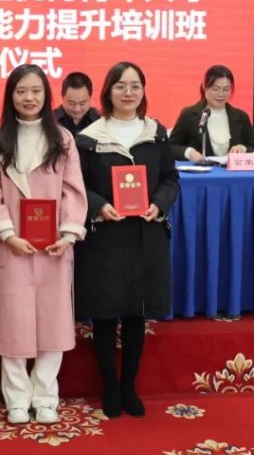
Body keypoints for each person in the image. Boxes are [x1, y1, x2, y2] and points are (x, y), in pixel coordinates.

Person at [0, 64, 88, 425]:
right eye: (21, 91)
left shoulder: (63, 139)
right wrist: (8, 234)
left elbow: (73, 190)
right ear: (10, 96)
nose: (29, 98)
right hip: (11, 246)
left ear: (46, 95)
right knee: (13, 323)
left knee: (52, 323)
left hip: (53, 247)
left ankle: (45, 397)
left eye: (36, 91)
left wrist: (67, 234)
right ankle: (16, 397)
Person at [74, 61, 179, 419]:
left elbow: (170, 179)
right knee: (105, 314)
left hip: (145, 235)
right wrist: (99, 205)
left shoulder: (156, 133)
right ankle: (109, 386)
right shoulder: (90, 138)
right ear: (108, 92)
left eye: (135, 86)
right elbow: (77, 186)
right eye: (120, 86)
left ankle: (129, 386)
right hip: (106, 237)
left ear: (144, 91)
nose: (128, 92)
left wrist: (159, 203)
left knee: (136, 312)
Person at [169, 64, 254, 162]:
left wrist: (242, 149)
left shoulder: (241, 117)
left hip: (231, 171)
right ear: (204, 87)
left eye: (226, 89)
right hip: (200, 170)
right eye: (215, 89)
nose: (221, 94)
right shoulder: (189, 115)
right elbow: (171, 147)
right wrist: (189, 153)